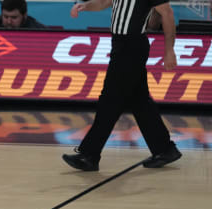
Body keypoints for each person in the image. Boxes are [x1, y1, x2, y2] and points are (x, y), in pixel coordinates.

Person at [62, 0, 181, 171]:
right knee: (139, 102)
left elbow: (167, 13)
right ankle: (165, 149)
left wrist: (169, 50)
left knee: (109, 101)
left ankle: (89, 154)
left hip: (132, 47)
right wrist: (85, 6)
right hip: (120, 45)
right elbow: (105, 2)